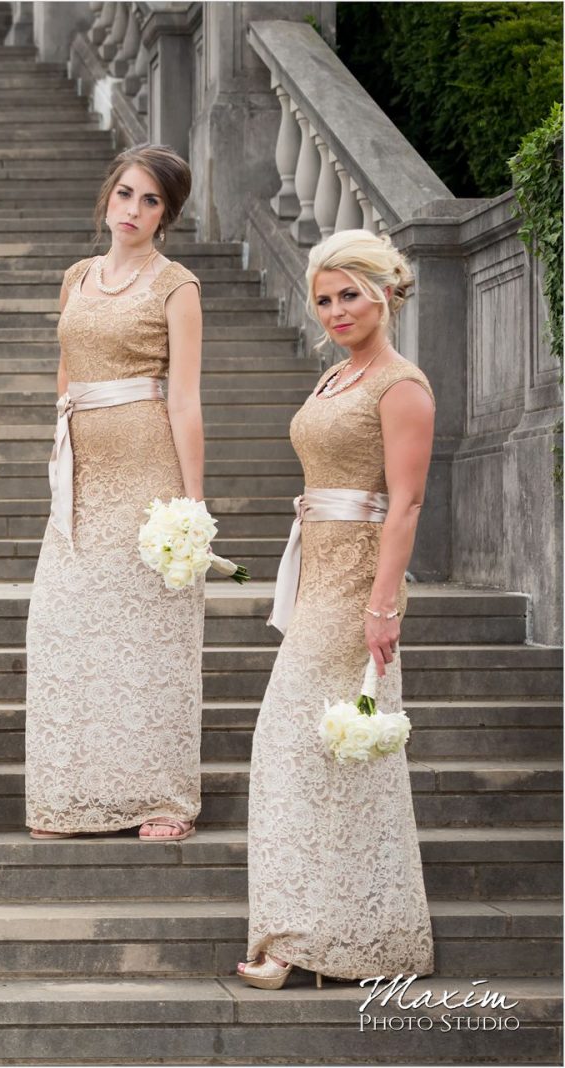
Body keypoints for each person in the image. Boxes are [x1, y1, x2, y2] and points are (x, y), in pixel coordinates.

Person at [239, 229, 435, 988]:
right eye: (323, 299)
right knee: (308, 754)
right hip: (316, 569)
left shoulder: (401, 385)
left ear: (383, 291)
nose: (336, 310)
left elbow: (407, 502)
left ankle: (324, 939)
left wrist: (383, 604)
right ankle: (308, 935)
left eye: (349, 293)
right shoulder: (334, 379)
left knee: (301, 747)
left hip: (357, 581)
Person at [21, 145, 208, 843]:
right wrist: (58, 457)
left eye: (150, 200)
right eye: (126, 193)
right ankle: (72, 795)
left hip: (146, 466)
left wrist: (191, 504)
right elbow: (66, 377)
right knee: (65, 628)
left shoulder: (177, 286)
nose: (133, 210)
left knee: (148, 634)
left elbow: (185, 399)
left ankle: (160, 796)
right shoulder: (76, 277)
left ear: (168, 214)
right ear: (108, 196)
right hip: (82, 471)